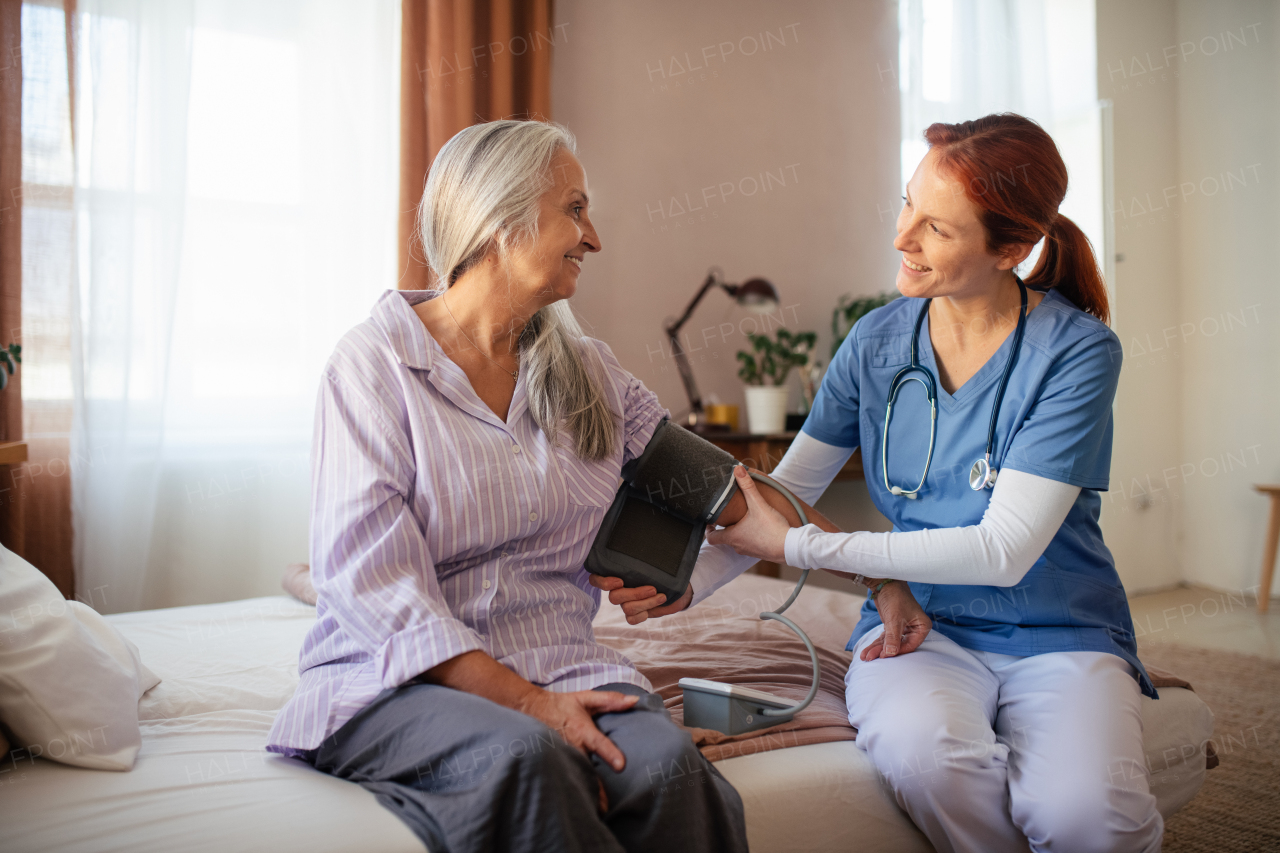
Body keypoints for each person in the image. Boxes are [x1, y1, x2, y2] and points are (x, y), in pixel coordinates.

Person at [606, 114, 1164, 853]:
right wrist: (688, 581)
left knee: (1089, 816)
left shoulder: (1077, 353)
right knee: (932, 761)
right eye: (908, 204)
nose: (902, 237)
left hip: (1059, 632)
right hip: (916, 632)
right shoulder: (876, 342)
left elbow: (1003, 551)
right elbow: (782, 491)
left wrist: (800, 543)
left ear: (1013, 249)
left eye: (936, 227)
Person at [264, 120, 751, 853]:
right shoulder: (372, 367)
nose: (593, 238)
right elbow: (374, 589)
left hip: (562, 663)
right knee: (529, 757)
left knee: (671, 769)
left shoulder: (589, 371)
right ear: (500, 219)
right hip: (397, 682)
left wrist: (868, 567)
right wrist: (531, 705)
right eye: (575, 210)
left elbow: (724, 491)